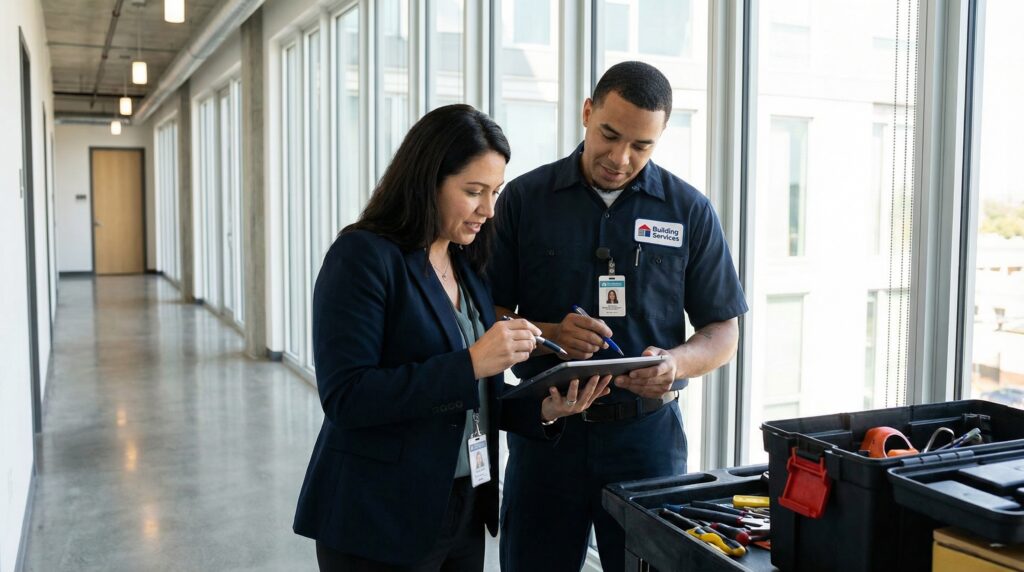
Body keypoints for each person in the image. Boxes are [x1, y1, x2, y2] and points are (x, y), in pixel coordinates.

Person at [292, 104, 612, 572]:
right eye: (473, 191)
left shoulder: (466, 264)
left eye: (495, 192)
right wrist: (472, 362)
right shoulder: (362, 257)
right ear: (427, 181)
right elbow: (347, 397)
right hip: (380, 514)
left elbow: (475, 396)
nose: (488, 209)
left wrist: (543, 407)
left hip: (463, 504)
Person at [489, 62, 749, 572]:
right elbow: (485, 312)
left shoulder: (688, 210)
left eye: (641, 145)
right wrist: (548, 335)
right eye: (609, 135)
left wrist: (675, 363)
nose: (620, 157)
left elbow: (723, 331)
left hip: (646, 443)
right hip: (548, 434)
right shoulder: (523, 200)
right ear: (588, 113)